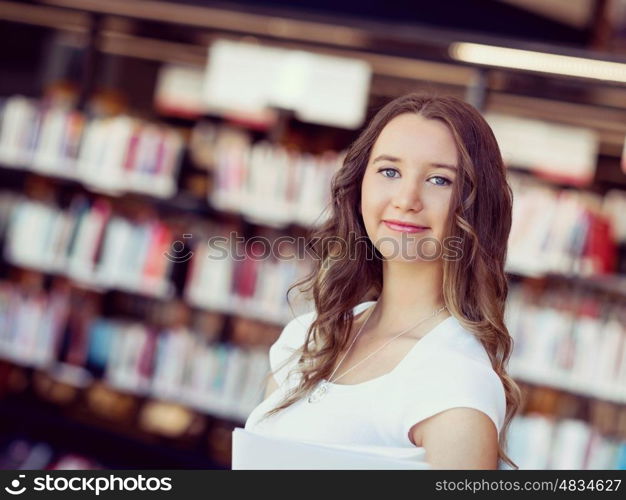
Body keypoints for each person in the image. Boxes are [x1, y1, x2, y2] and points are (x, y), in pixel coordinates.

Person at [243, 91, 522, 470]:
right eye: (389, 171)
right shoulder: (306, 335)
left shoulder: (455, 381)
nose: (407, 199)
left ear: (475, 207)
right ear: (359, 184)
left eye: (439, 180)